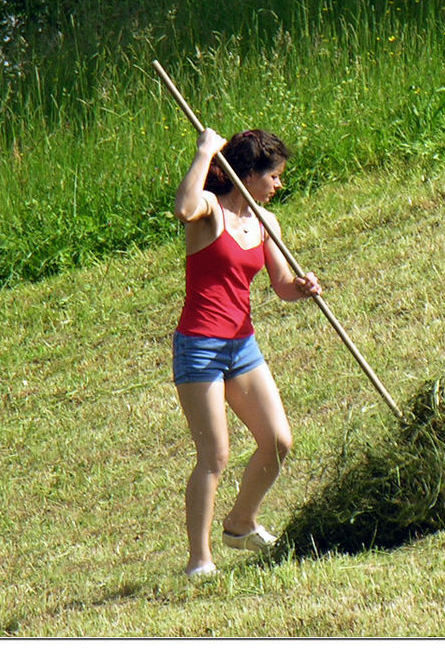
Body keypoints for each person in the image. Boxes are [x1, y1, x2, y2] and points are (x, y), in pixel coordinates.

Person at [172, 127, 322, 577]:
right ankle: (200, 561)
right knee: (214, 455)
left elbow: (281, 287)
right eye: (273, 176)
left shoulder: (265, 223)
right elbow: (182, 207)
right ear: (250, 174)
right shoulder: (209, 211)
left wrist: (302, 287)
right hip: (199, 347)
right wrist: (204, 153)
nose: (278, 185)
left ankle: (240, 524)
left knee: (278, 441)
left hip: (243, 346)